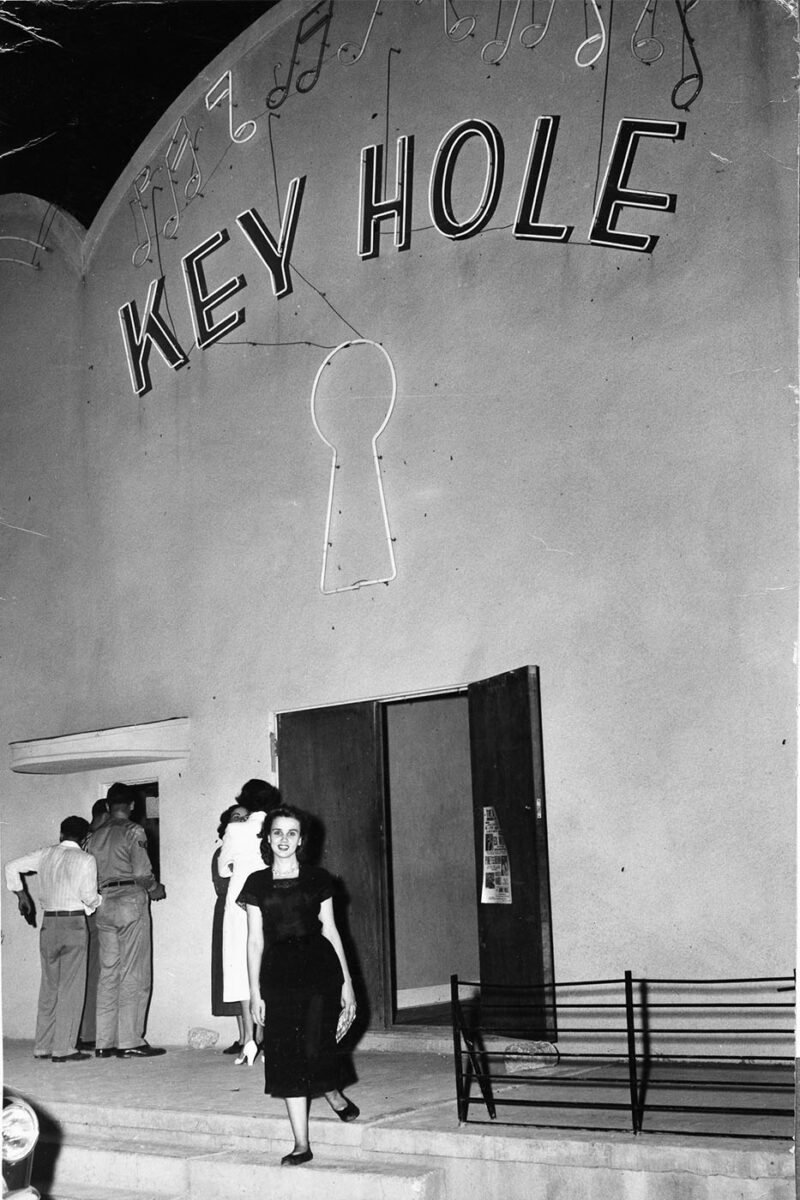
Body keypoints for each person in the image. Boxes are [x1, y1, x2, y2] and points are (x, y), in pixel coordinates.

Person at [241, 803, 359, 1166]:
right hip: (278, 971)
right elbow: (254, 941)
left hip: (318, 967)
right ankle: (301, 1144)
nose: (284, 839)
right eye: (277, 832)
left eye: (292, 833)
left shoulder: (318, 878)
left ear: (301, 840)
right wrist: (255, 994)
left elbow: (332, 930)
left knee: (314, 1042)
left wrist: (348, 984)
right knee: (287, 1054)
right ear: (268, 837)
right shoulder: (256, 883)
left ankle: (329, 1088)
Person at [5, 815, 101, 1062]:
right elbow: (89, 896)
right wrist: (100, 902)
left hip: (49, 924)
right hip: (73, 923)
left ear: (61, 834)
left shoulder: (46, 854)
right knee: (72, 987)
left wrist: (21, 895)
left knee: (49, 986)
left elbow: (10, 866)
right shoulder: (86, 859)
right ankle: (64, 1048)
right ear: (85, 838)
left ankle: (43, 1045)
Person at [84, 782, 167, 1058]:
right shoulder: (134, 830)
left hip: (104, 904)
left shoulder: (93, 837)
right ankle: (130, 1039)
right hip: (130, 901)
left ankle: (104, 1042)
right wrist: (155, 888)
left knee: (108, 973)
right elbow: (143, 871)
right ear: (132, 806)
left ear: (107, 807)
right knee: (134, 971)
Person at [218, 800, 270, 1064]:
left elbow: (222, 868)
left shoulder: (235, 835)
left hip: (240, 904)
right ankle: (253, 1039)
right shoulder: (265, 827)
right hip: (255, 901)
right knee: (252, 969)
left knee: (245, 970)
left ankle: (253, 1039)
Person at [212, 805, 247, 1054]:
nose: (242, 822)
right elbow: (223, 882)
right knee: (233, 973)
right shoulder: (222, 852)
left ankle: (256, 1036)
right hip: (228, 912)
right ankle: (244, 1036)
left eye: (246, 818)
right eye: (237, 818)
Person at [78, 798, 110, 1049]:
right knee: (95, 973)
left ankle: (86, 1031)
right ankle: (90, 1033)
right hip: (93, 911)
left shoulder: (83, 839)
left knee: (88, 972)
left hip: (80, 912)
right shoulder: (97, 839)